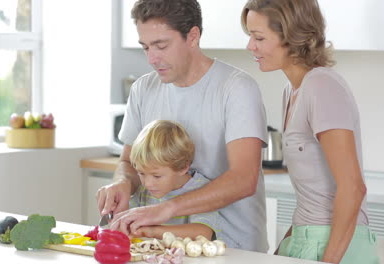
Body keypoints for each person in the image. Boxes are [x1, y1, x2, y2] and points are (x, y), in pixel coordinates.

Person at [97, 0, 269, 252]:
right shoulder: (143, 89)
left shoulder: (235, 88)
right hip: (162, 250)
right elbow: (128, 163)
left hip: (232, 249)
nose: (152, 58)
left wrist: (164, 209)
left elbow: (243, 179)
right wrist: (123, 183)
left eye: (161, 45)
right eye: (145, 47)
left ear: (193, 36)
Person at [241, 0, 379, 263]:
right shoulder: (292, 91)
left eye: (258, 37)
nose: (250, 46)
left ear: (292, 36)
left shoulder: (321, 85)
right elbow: (312, 197)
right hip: (305, 240)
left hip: (336, 247)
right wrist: (282, 250)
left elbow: (353, 187)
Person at [127, 119, 219, 240]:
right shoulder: (144, 190)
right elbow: (128, 218)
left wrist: (152, 231)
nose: (147, 184)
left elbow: (203, 233)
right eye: (141, 173)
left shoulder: (201, 189)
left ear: (183, 167)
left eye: (157, 176)